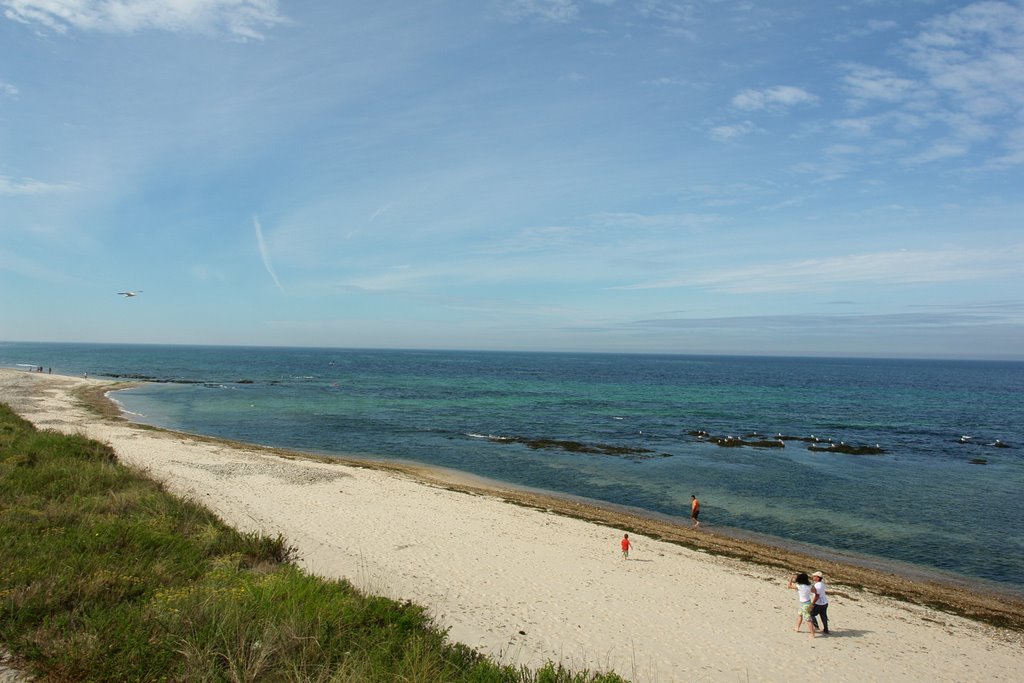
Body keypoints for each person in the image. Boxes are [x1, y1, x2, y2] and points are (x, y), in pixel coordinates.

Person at [787, 572, 818, 638]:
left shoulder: (799, 586)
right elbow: (815, 591)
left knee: (808, 619)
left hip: (804, 604)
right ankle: (797, 628)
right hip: (806, 603)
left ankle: (812, 634)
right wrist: (812, 585)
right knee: (800, 615)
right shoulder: (809, 586)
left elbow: (789, 586)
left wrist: (791, 578)